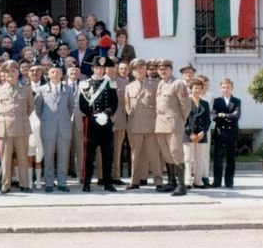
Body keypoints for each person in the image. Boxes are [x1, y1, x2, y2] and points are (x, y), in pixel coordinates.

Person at [0, 60, 35, 194]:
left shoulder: (26, 89)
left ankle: (24, 184)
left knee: (22, 157)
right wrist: (4, 118)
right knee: (5, 158)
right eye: (7, 71)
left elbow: (31, 107)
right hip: (5, 127)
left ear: (18, 72)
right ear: (3, 73)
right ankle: (6, 184)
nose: (10, 74)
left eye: (13, 71)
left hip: (22, 126)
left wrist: (20, 116)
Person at [79, 56, 118, 192]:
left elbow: (114, 103)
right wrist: (93, 115)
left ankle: (108, 182)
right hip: (91, 123)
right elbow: (82, 105)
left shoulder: (110, 83)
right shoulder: (85, 84)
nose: (99, 70)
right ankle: (87, 182)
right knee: (89, 154)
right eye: (97, 68)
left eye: (102, 68)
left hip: (106, 123)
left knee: (107, 153)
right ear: (93, 68)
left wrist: (106, 114)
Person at [154, 59, 192, 196]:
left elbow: (186, 106)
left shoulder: (178, 83)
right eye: (160, 69)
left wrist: (181, 119)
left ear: (171, 69)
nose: (162, 71)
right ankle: (171, 182)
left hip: (174, 122)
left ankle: (182, 186)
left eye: (165, 69)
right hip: (160, 123)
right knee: (166, 153)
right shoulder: (160, 83)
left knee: (176, 152)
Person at [35, 65, 75, 193]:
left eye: (58, 72)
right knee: (48, 157)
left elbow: (71, 107)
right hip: (48, 127)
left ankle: (62, 183)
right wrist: (48, 119)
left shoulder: (68, 89)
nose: (56, 74)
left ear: (62, 74)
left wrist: (63, 118)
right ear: (48, 75)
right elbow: (38, 109)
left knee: (63, 156)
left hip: (64, 127)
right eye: (53, 72)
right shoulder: (42, 89)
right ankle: (49, 183)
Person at [124, 59, 161, 189]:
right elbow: (127, 105)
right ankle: (134, 181)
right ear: (133, 72)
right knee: (135, 155)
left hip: (151, 125)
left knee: (154, 155)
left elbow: (159, 104)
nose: (139, 71)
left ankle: (158, 182)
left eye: (141, 68)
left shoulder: (155, 84)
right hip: (134, 125)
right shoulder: (129, 87)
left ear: (146, 70)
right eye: (136, 69)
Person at [211, 78, 241, 188]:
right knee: (218, 158)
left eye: (228, 87)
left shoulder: (237, 101)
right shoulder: (217, 101)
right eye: (223, 87)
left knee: (231, 159)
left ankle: (229, 182)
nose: (226, 89)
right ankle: (217, 182)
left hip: (232, 133)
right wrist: (228, 116)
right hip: (219, 133)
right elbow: (214, 117)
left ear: (232, 88)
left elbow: (236, 116)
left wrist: (223, 115)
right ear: (220, 88)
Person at [184, 78, 211, 188]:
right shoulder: (186, 102)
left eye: (199, 88)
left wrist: (203, 132)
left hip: (201, 135)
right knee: (188, 159)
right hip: (188, 134)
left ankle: (198, 181)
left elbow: (207, 120)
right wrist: (190, 133)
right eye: (195, 88)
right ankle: (187, 181)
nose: (197, 90)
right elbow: (183, 119)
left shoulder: (205, 103)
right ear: (191, 89)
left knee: (200, 159)